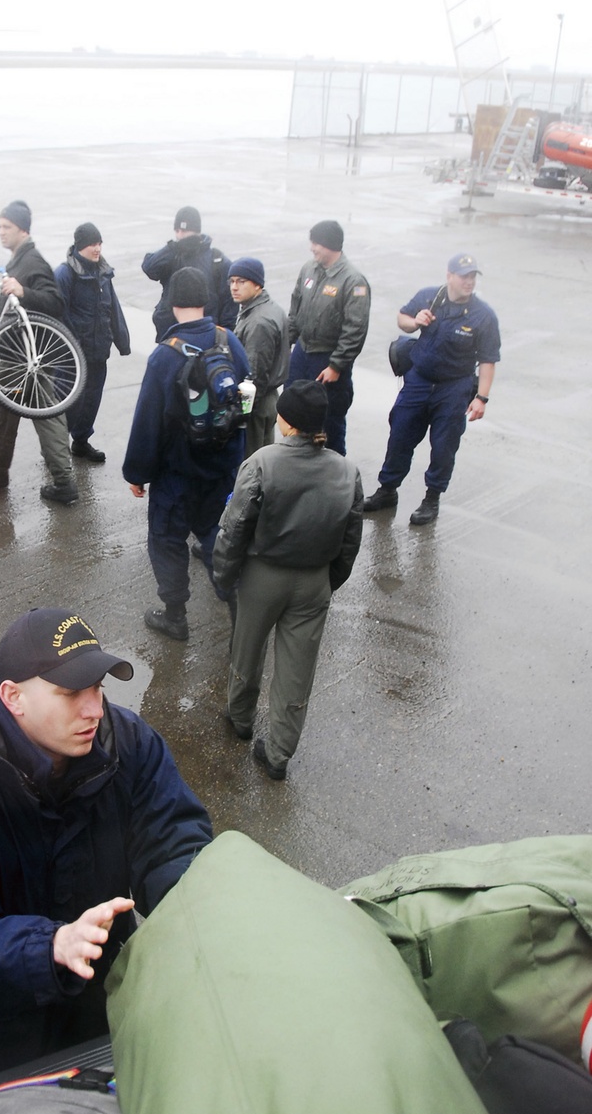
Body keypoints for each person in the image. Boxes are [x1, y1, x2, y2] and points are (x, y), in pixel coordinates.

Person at [0, 606, 213, 1096]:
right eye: (70, 693)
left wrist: (206, 904)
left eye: (98, 688)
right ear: (13, 697)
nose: (94, 710)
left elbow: (172, 840)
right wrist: (51, 948)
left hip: (97, 1024)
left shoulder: (130, 746)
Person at [213, 381, 363, 781]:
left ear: (287, 421)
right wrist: (328, 580)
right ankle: (279, 753)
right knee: (297, 671)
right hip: (314, 581)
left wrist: (224, 574)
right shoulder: (347, 471)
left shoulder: (262, 463)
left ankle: (241, 718)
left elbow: (235, 527)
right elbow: (350, 539)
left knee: (247, 650)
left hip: (263, 576)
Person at [123, 265, 250, 641]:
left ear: (172, 303)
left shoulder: (164, 357)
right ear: (206, 301)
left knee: (166, 541)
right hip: (221, 470)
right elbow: (244, 400)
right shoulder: (229, 341)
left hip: (176, 476)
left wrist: (137, 473)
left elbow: (149, 422)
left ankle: (175, 616)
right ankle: (238, 607)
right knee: (215, 536)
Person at [362, 252, 500, 526]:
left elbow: (488, 360)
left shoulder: (483, 316)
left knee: (444, 446)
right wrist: (415, 322)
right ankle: (387, 490)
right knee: (400, 434)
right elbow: (402, 317)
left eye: (473, 277)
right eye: (464, 276)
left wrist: (481, 398)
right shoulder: (429, 297)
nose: (469, 282)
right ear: (449, 276)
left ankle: (432, 498)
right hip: (419, 381)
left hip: (453, 388)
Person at [0, 201, 79, 505]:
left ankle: (63, 483)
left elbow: (55, 302)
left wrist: (25, 291)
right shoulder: (18, 261)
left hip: (29, 358)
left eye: (6, 227)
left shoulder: (33, 262)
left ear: (23, 229)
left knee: (45, 416)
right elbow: (3, 309)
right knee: (4, 415)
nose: (1, 232)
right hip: (17, 354)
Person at [286, 220, 370, 456]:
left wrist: (336, 366)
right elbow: (295, 307)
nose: (312, 248)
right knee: (293, 410)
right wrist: (287, 342)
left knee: (329, 420)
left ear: (330, 245)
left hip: (327, 359)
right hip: (302, 352)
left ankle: (335, 468)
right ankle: (295, 461)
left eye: (316, 244)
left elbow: (356, 328)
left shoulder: (353, 281)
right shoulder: (308, 269)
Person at [53, 222, 131, 464]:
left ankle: (81, 441)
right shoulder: (65, 274)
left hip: (98, 351)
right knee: (68, 402)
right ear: (79, 246)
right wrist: (72, 343)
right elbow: (57, 313)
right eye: (92, 244)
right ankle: (55, 448)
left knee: (91, 400)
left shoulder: (103, 273)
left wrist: (122, 341)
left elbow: (113, 308)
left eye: (99, 243)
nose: (97, 249)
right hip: (72, 355)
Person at [141, 206, 236, 342]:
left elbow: (229, 305)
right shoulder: (172, 255)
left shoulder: (217, 261)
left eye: (185, 231)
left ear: (196, 232)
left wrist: (224, 339)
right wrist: (173, 247)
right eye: (177, 230)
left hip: (206, 338)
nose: (180, 235)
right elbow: (149, 268)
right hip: (171, 335)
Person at [227, 256, 290, 456]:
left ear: (257, 285)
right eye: (232, 281)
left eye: (241, 281)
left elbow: (254, 375)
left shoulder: (259, 322)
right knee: (262, 458)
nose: (234, 287)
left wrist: (241, 413)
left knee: (251, 462)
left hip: (256, 403)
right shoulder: (266, 308)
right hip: (266, 399)